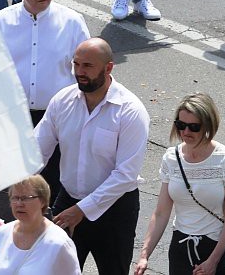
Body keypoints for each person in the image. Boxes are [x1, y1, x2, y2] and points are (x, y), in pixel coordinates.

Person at [33, 38, 149, 274]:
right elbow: (36, 150)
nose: (79, 72)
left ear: (108, 68)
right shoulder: (62, 101)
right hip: (69, 202)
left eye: (87, 66)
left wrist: (82, 210)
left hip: (115, 210)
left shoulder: (130, 111)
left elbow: (126, 174)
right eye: (76, 65)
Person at [0, 0, 90, 202]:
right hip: (15, 117)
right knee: (17, 182)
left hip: (57, 115)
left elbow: (90, 66)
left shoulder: (71, 22)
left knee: (55, 179)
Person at [135, 93, 225, 275]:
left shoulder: (224, 159)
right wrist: (145, 254)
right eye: (180, 125)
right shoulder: (171, 158)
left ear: (208, 125)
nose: (185, 132)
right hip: (181, 247)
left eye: (193, 127)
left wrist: (213, 261)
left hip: (216, 247)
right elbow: (161, 213)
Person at [0, 175, 79, 275]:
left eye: (25, 198)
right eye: (15, 198)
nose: (19, 204)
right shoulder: (1, 234)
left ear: (43, 201)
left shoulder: (60, 243)